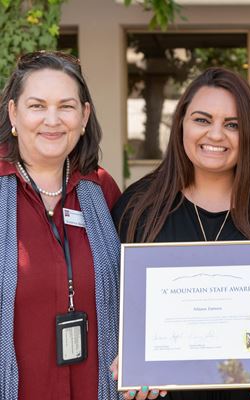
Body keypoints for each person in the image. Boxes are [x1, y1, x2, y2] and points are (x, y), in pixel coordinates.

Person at [112, 67, 250, 400]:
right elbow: (119, 303)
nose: (216, 135)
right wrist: (133, 356)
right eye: (202, 120)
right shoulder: (139, 207)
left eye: (233, 125)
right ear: (181, 123)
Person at [0, 51, 122, 400]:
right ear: (13, 112)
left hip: (94, 388)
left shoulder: (102, 190)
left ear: (84, 115)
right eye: (37, 106)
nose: (51, 120)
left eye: (66, 106)